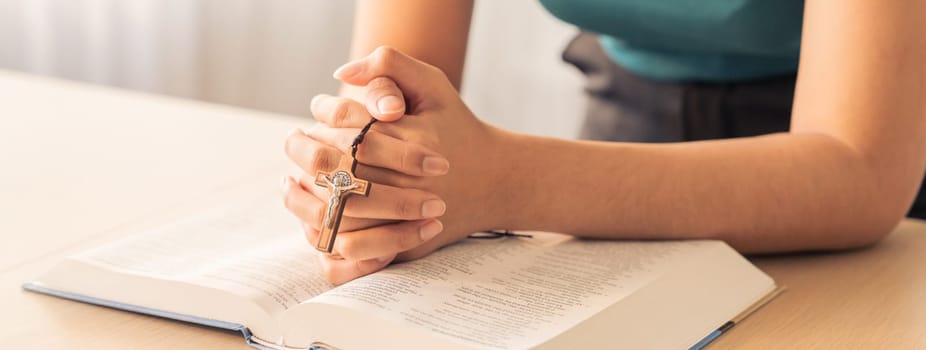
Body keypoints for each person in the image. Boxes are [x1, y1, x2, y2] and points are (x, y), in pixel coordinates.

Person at [281, 1, 926, 284]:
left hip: (889, 151)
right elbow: (397, 87)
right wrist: (380, 173)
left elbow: (860, 171)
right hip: (622, 133)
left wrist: (503, 182)